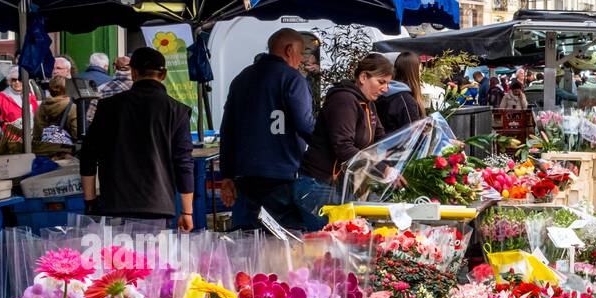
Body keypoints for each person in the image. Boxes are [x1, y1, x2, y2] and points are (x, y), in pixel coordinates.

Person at [79, 47, 194, 230]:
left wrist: (90, 202)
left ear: (133, 73)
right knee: (152, 259)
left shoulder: (108, 107)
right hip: (158, 207)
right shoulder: (178, 111)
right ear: (163, 74)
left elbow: (88, 156)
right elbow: (183, 162)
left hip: (115, 205)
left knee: (115, 259)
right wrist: (187, 212)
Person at [217, 28, 316, 231]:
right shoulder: (292, 79)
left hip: (244, 175)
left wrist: (226, 174)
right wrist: (327, 150)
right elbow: (305, 125)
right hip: (281, 174)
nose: (301, 59)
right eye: (301, 53)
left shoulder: (241, 79)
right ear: (289, 50)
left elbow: (227, 129)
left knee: (246, 238)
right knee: (282, 239)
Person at [299, 53, 393, 228]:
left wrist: (409, 145)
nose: (386, 89)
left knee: (341, 244)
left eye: (387, 83)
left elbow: (380, 138)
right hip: (319, 184)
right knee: (326, 244)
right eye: (381, 82)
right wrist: (383, 169)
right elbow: (343, 147)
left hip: (339, 185)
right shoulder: (344, 100)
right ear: (363, 77)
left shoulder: (368, 103)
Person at [377, 51, 425, 133]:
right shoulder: (405, 100)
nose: (420, 75)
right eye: (419, 71)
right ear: (412, 73)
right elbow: (414, 136)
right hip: (398, 145)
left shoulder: (381, 93)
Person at [36, 75, 78, 152]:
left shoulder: (42, 105)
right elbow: (76, 132)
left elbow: (37, 129)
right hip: (64, 150)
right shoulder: (72, 107)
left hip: (45, 147)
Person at [0, 67, 37, 132]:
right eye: (14, 80)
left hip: (30, 136)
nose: (17, 82)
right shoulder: (1, 97)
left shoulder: (31, 96)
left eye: (20, 79)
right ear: (9, 81)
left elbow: (36, 116)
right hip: (10, 138)